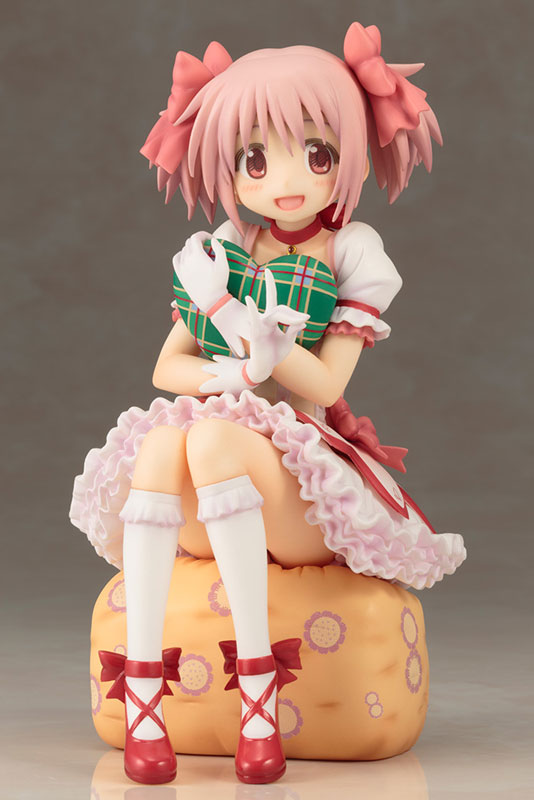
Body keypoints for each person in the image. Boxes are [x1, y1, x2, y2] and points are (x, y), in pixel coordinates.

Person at [70, 22, 466, 786]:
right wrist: (230, 367)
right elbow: (167, 368)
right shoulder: (227, 247)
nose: (285, 179)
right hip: (227, 464)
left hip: (302, 484)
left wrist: (258, 338)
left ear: (349, 156)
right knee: (164, 445)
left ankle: (259, 692)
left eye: (316, 155)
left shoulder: (350, 251)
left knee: (213, 441)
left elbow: (328, 387)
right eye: (256, 160)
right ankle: (143, 690)